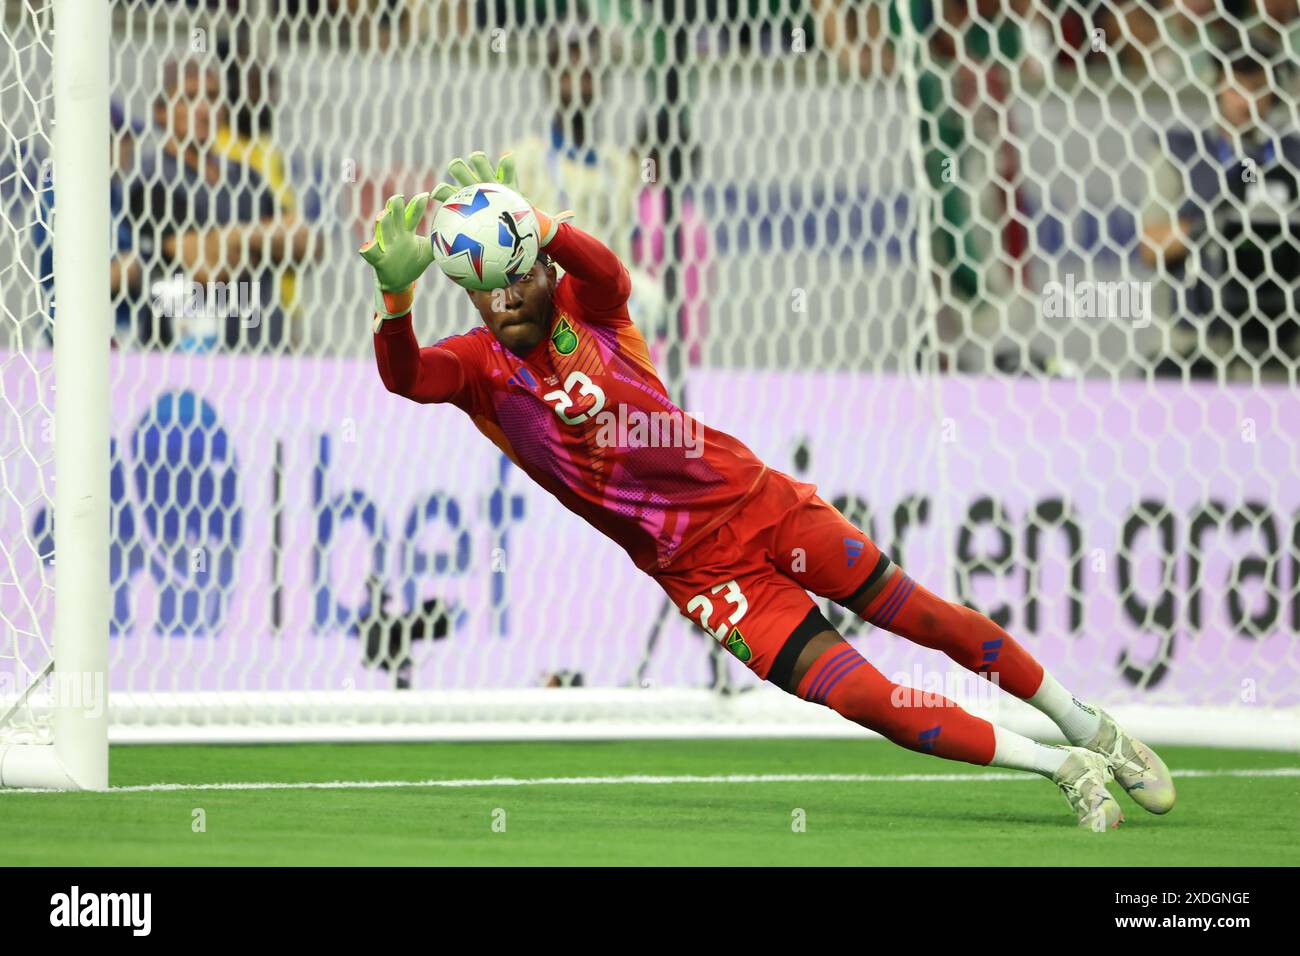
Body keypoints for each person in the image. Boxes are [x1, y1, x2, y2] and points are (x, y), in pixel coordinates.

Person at [360, 151, 1177, 830]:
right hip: (700, 574)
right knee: (866, 698)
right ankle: (1059, 765)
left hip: (759, 503)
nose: (504, 298)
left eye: (517, 275)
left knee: (926, 616)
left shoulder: (590, 307)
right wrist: (396, 303)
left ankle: (1090, 726)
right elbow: (406, 378)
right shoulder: (476, 367)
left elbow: (606, 270)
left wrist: (545, 225)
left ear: (544, 269)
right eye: (484, 287)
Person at [1140, 41, 1300, 381]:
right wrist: (1209, 226)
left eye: (1257, 88)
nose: (1246, 100)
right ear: (1217, 87)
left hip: (1280, 349)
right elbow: (1151, 245)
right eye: (1236, 87)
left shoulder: (1291, 158)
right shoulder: (1181, 153)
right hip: (1196, 345)